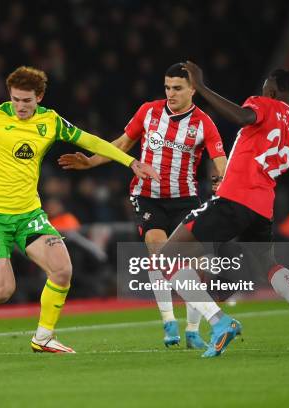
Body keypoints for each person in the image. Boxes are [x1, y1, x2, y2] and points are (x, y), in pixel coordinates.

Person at [0, 66, 158, 353]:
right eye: (16, 99)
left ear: (40, 97)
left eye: (27, 101)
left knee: (62, 269)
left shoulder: (51, 122)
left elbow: (90, 140)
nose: (20, 106)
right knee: (4, 290)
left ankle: (43, 337)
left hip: (29, 214)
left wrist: (130, 162)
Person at [154, 61, 289, 357]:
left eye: (265, 85)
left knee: (165, 259)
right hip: (262, 209)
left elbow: (241, 116)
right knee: (270, 266)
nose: (262, 88)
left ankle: (220, 322)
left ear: (273, 89)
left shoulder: (265, 103)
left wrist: (200, 87)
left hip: (233, 200)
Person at [58, 63, 227, 349]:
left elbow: (220, 160)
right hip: (147, 195)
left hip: (185, 198)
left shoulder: (204, 123)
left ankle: (192, 330)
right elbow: (122, 144)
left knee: (198, 266)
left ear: (192, 90)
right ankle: (168, 321)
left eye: (177, 88)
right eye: (167, 87)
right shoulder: (149, 111)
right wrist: (91, 161)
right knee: (158, 249)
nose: (170, 93)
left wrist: (223, 183)